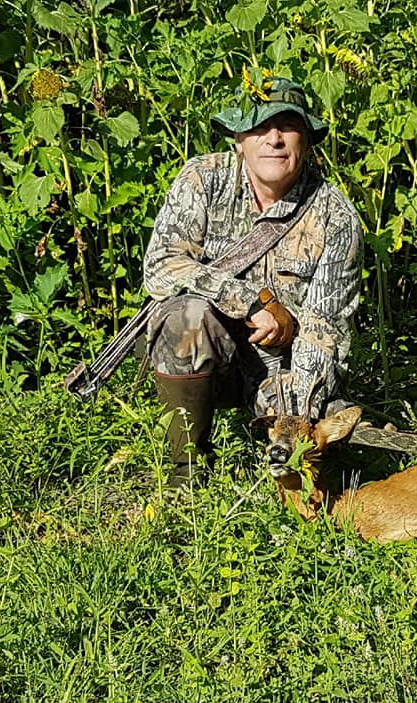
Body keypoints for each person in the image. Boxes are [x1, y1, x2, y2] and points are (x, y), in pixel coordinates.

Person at [143, 76, 362, 475]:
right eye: (259, 127)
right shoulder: (203, 180)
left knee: (333, 425)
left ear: (307, 141)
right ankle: (185, 474)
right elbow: (161, 267)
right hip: (212, 364)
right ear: (239, 139)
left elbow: (325, 329)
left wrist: (294, 414)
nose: (273, 138)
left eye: (288, 126)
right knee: (185, 317)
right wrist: (253, 302)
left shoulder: (337, 218)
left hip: (285, 370)